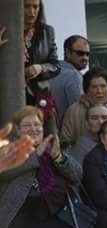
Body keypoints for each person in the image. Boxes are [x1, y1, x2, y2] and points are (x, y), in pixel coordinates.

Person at [1, 106, 94, 228]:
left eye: (37, 124)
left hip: (56, 206)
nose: (34, 129)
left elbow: (77, 175)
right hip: (21, 208)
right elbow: (5, 173)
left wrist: (58, 157)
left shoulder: (55, 147)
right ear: (18, 129)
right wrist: (35, 155)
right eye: (27, 125)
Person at [61, 67, 107, 148]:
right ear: (87, 90)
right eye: (94, 87)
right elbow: (65, 141)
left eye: (103, 86)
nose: (99, 91)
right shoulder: (74, 111)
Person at [23, 0, 60, 133]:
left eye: (35, 6)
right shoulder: (6, 28)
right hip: (11, 97)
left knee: (49, 143)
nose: (32, 12)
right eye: (26, 6)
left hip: (40, 97)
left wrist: (40, 68)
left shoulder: (46, 31)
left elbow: (55, 65)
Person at [49, 35, 89, 120]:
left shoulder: (50, 70)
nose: (85, 57)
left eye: (87, 54)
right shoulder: (73, 76)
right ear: (67, 52)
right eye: (80, 53)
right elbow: (80, 112)